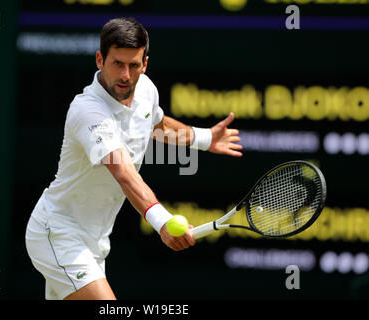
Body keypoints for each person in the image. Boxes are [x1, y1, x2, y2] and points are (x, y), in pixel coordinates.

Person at [25, 17, 243, 300]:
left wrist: (204, 138)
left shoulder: (146, 91)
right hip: (58, 233)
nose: (125, 75)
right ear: (100, 60)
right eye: (117, 63)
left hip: (95, 242)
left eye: (134, 65)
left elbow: (157, 124)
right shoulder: (88, 110)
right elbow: (124, 173)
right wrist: (163, 222)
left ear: (145, 64)